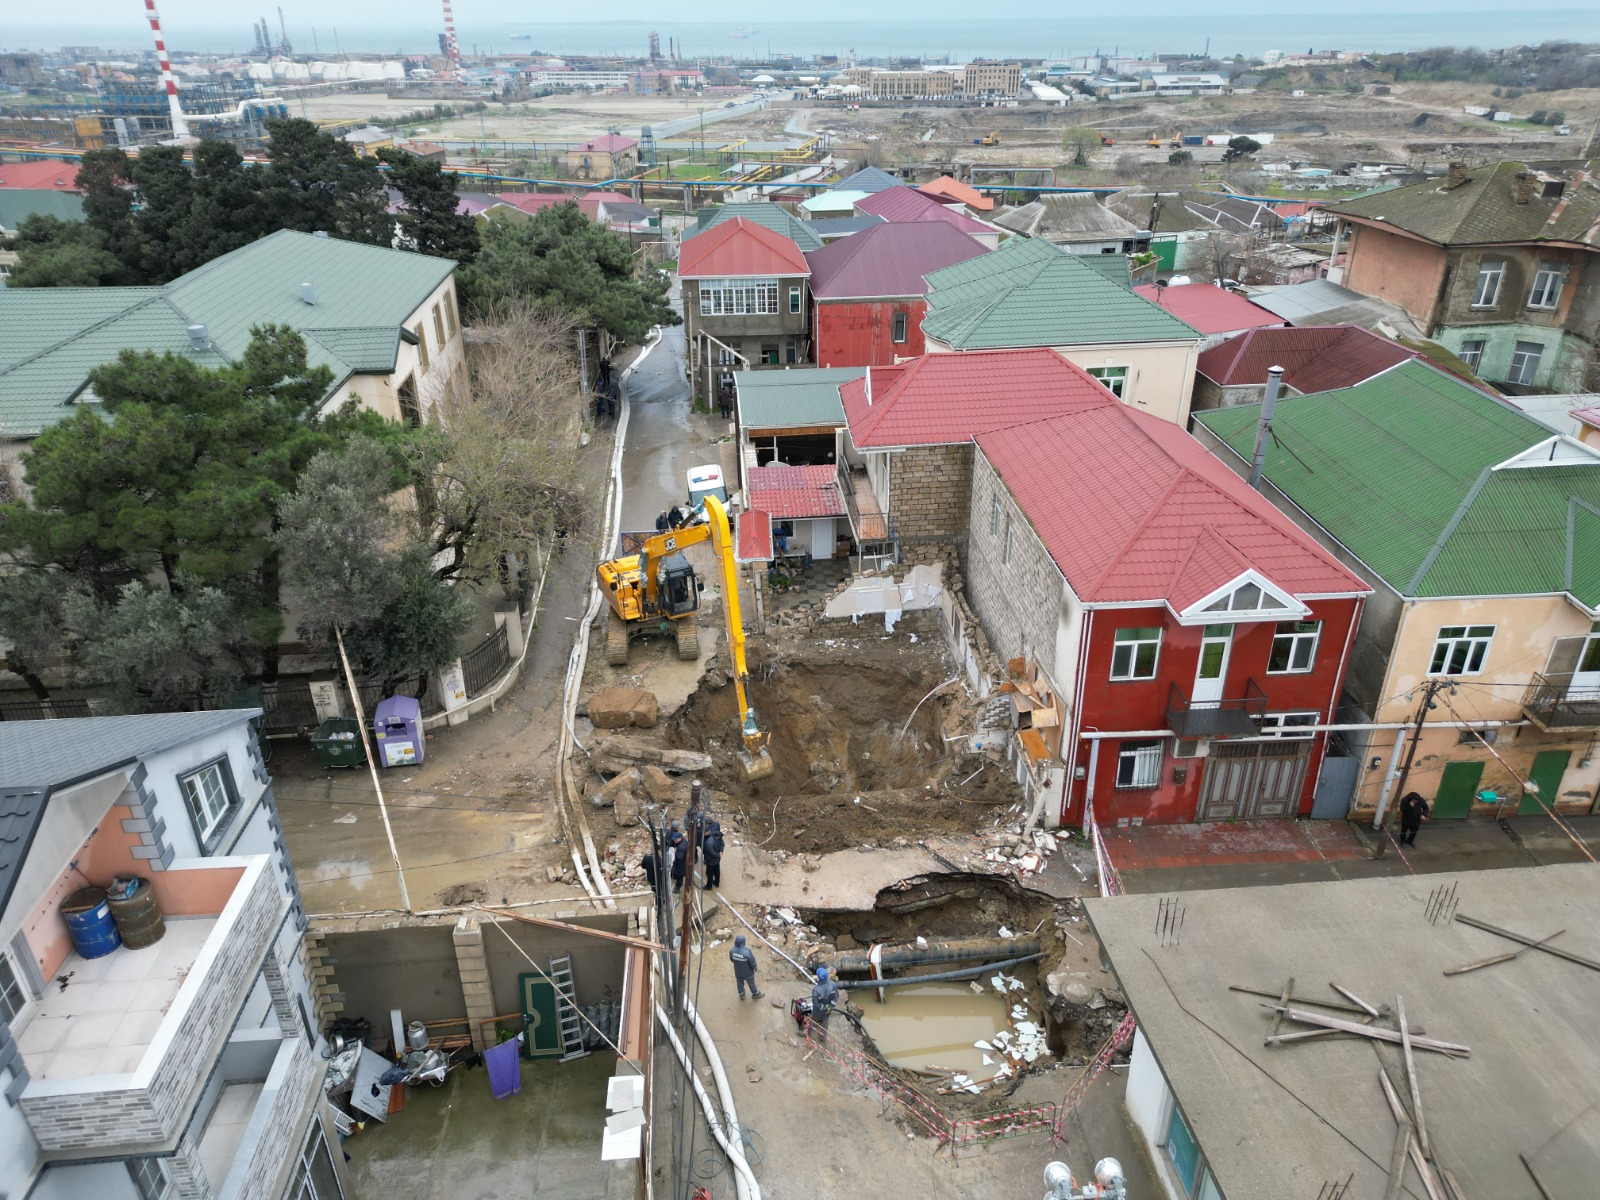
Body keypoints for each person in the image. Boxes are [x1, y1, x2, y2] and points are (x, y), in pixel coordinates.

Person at [728, 935, 762, 1000]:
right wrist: (755, 967)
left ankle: (741, 994)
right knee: (751, 982)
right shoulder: (747, 952)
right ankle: (755, 993)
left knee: (739, 982)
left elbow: (731, 959)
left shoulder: (732, 950)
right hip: (748, 972)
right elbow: (752, 962)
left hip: (738, 971)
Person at [810, 966, 841, 1033]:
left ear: (818, 978)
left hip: (818, 1010)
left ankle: (808, 1032)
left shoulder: (816, 990)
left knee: (814, 1020)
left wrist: (823, 1007)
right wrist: (830, 1006)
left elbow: (816, 1004)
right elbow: (836, 995)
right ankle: (823, 1037)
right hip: (829, 1008)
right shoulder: (833, 984)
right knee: (825, 1020)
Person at [701, 819, 725, 890]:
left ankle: (709, 886)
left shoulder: (709, 841)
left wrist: (718, 855)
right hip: (717, 859)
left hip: (711, 860)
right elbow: (722, 844)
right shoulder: (717, 836)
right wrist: (720, 852)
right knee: (717, 870)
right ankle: (717, 882)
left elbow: (710, 851)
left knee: (709, 873)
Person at [667, 821, 688, 887]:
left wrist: (674, 853)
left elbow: (679, 857)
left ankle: (677, 888)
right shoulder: (682, 840)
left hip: (680, 863)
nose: (674, 841)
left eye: (675, 839)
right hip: (674, 855)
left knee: (680, 875)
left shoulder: (681, 847)